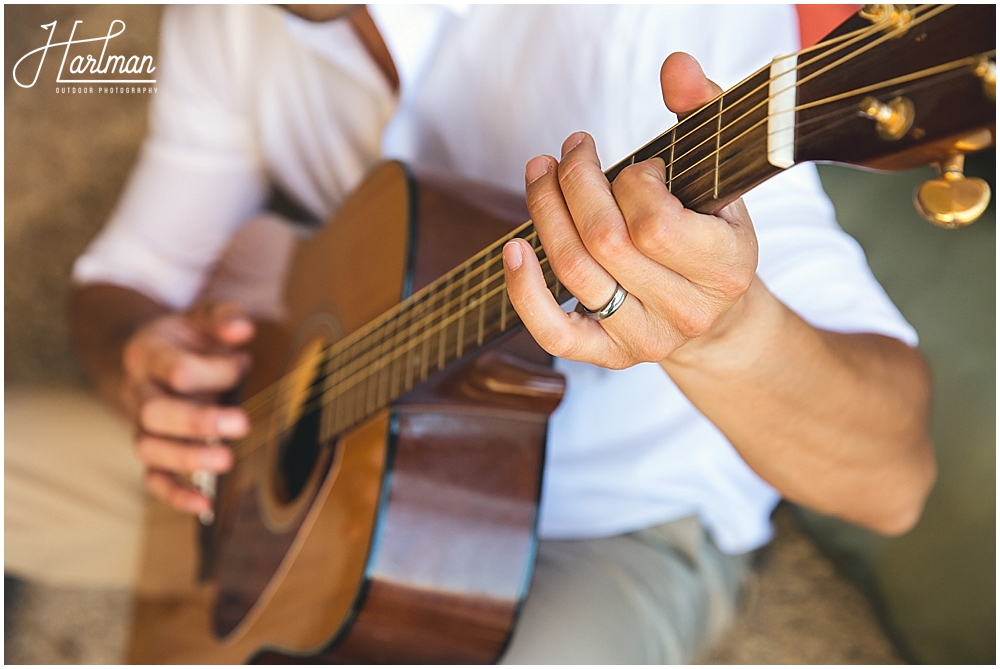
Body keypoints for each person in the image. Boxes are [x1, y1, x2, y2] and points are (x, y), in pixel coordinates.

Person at [59, 5, 933, 663]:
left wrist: (721, 332)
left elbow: (893, 480)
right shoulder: (223, 20)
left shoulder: (657, 16)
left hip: (616, 519)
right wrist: (138, 361)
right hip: (310, 450)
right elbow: (126, 277)